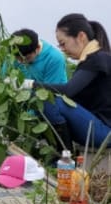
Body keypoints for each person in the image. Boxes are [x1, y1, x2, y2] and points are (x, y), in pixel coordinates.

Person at [21, 14, 111, 152]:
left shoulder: (98, 59)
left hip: (105, 132)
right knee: (44, 104)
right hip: (96, 128)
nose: (62, 49)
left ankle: (65, 156)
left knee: (47, 99)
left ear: (81, 36)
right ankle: (62, 154)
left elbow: (68, 90)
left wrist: (31, 85)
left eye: (63, 43)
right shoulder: (88, 61)